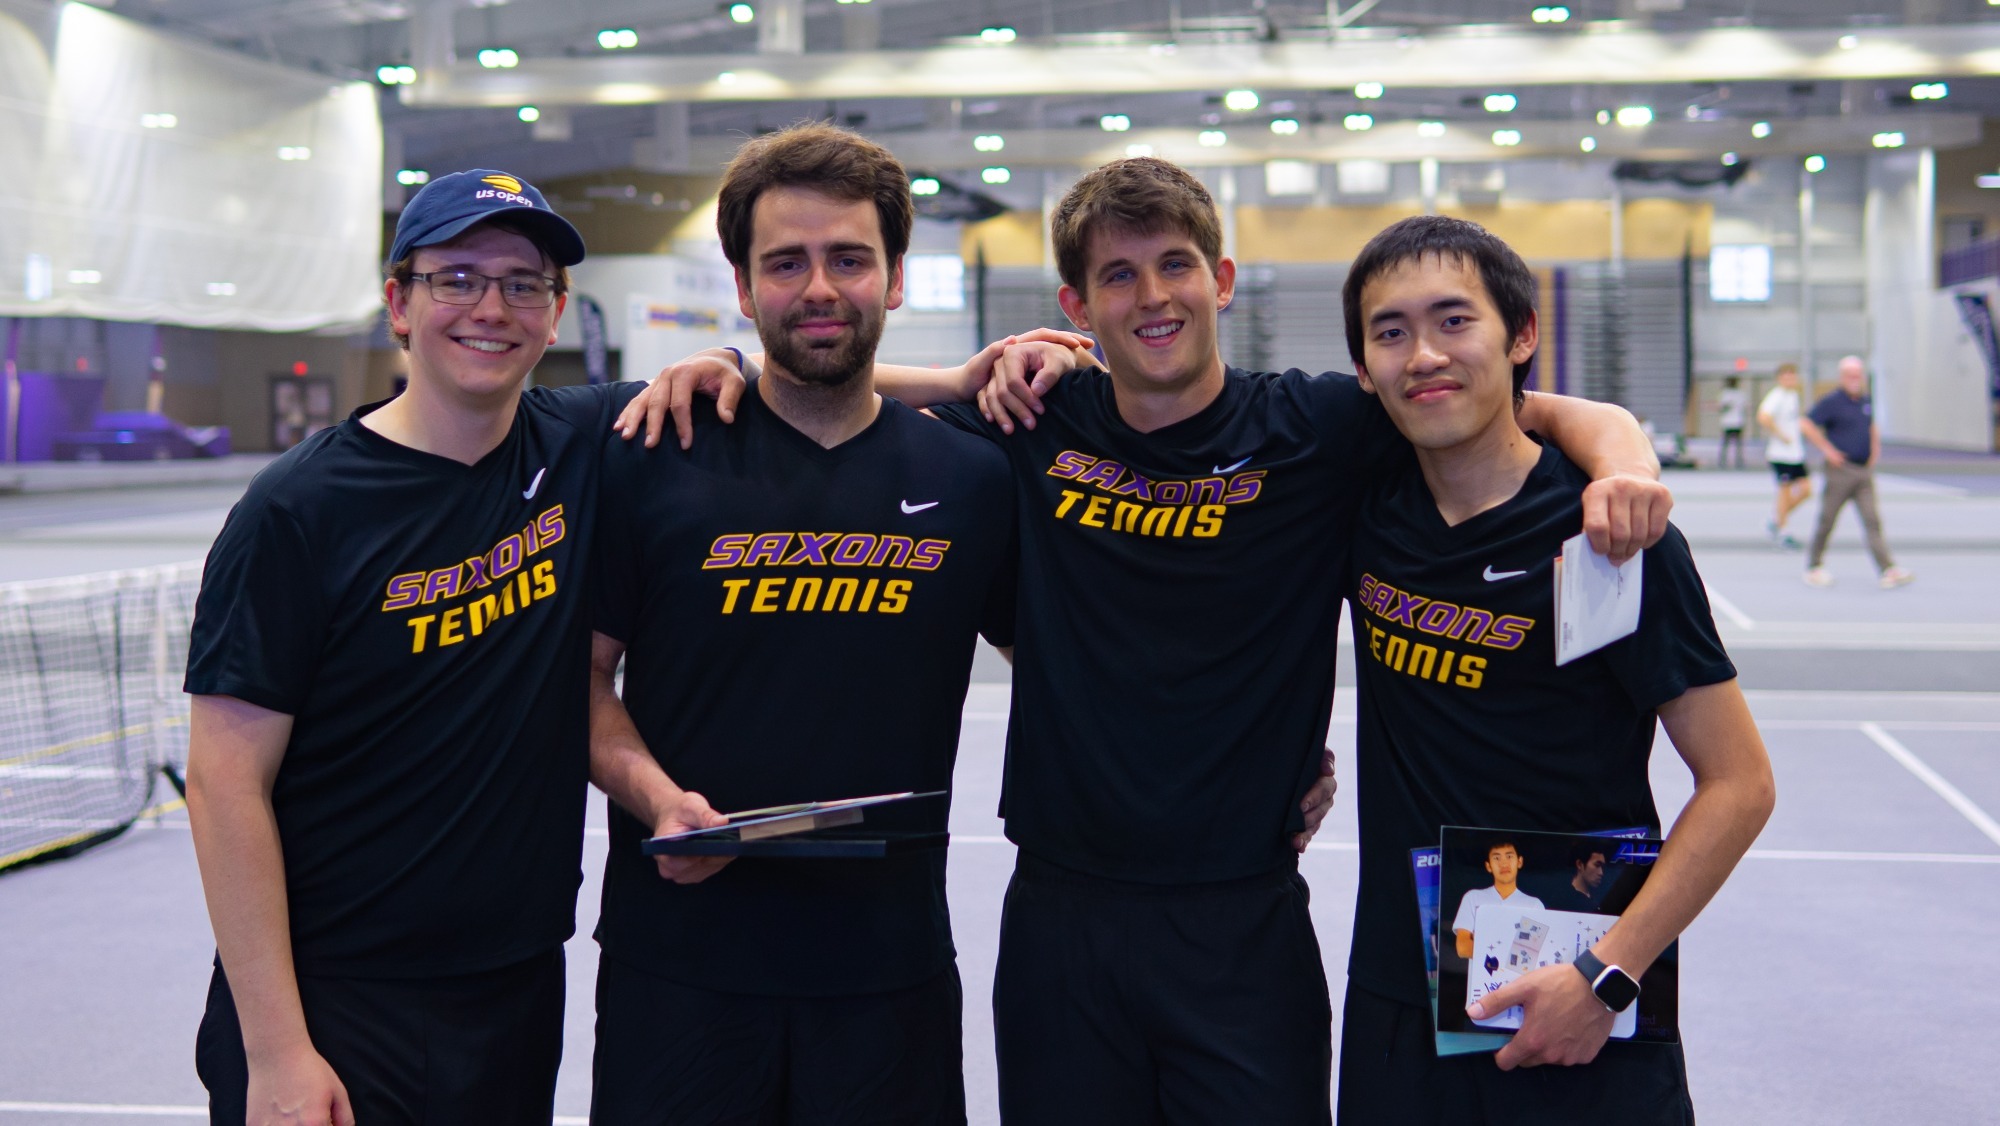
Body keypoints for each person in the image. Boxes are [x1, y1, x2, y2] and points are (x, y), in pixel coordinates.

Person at [625, 156, 1671, 1124]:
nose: (1152, 295)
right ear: (1077, 309)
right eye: (1117, 276)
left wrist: (1619, 449)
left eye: (1175, 265)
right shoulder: (1037, 416)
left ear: (1219, 277)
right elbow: (832, 379)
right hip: (1060, 915)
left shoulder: (1317, 429)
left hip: (1241, 918)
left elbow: (1499, 398)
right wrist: (735, 358)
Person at [584, 123, 1019, 1125]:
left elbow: (1073, 663)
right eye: (785, 262)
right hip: (679, 967)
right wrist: (654, 798)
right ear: (741, 288)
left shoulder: (971, 480)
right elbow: (580, 679)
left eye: (848, 259)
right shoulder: (655, 451)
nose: (818, 288)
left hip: (885, 974)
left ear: (895, 278)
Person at [183, 170, 628, 1124]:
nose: (491, 308)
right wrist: (277, 1052)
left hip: (511, 983)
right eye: (457, 278)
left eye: (523, 284)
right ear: (399, 302)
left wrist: (967, 377)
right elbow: (224, 781)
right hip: (339, 994)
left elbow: (796, 377)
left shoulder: (577, 440)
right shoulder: (296, 511)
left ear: (554, 315)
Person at [1335, 214, 1776, 1124]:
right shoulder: (1361, 505)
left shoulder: (1610, 537)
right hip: (1399, 1005)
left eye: (1455, 320)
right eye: (1391, 332)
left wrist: (1608, 976)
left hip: (1582, 1007)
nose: (1423, 354)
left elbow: (1740, 783)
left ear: (1522, 334)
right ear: (1364, 367)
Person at [1800, 356, 1914, 589]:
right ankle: (1814, 566)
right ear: (1842, 377)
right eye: (1850, 375)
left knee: (1872, 521)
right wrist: (1828, 450)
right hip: (1840, 471)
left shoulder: (1865, 401)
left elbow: (1871, 425)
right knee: (1827, 520)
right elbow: (1806, 424)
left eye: (1858, 375)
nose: (1855, 379)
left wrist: (1875, 449)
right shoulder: (1832, 401)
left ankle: (1887, 569)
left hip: (1863, 473)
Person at [1450, 841, 1544, 959]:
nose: (1503, 863)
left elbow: (1533, 954)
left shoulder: (1534, 905)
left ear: (1519, 861)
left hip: (1522, 977)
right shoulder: (1472, 898)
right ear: (1488, 866)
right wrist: (1512, 952)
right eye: (1496, 858)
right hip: (1480, 977)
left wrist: (1483, 944)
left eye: (1509, 856)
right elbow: (1463, 948)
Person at [1757, 363, 1810, 550]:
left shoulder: (1793, 396)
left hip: (1796, 453)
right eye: (1786, 376)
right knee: (1785, 491)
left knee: (1806, 490)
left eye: (1793, 376)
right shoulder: (1776, 396)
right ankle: (1783, 531)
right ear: (1779, 378)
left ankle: (1776, 519)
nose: (1790, 380)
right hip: (1780, 454)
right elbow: (1763, 416)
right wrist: (1780, 435)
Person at [1547, 846, 1611, 912]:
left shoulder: (1598, 898)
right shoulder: (1562, 899)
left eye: (1602, 867)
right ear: (1580, 864)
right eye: (1597, 865)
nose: (1601, 873)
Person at [1715, 376, 1747, 469]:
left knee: (1727, 443)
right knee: (1736, 444)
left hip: (1728, 422)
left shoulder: (1725, 394)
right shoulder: (1741, 394)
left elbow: (1721, 407)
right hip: (1737, 421)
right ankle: (1737, 461)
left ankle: (1724, 461)